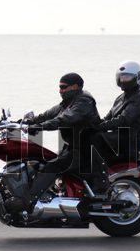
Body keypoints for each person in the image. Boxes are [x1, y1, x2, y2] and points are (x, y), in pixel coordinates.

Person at [24, 72, 108, 202]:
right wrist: (26, 122)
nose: (60, 91)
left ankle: (30, 201)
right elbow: (47, 115)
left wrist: (40, 127)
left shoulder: (84, 101)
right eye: (60, 87)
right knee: (41, 160)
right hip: (73, 147)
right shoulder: (68, 102)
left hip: (85, 151)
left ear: (75, 87)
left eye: (63, 87)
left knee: (51, 167)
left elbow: (65, 119)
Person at [93, 61, 140, 165]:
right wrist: (92, 123)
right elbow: (108, 118)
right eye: (122, 77)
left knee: (96, 138)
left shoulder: (138, 98)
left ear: (138, 77)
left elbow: (123, 120)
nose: (123, 80)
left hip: (129, 139)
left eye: (127, 77)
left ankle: (98, 169)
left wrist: (99, 127)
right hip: (118, 136)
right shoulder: (121, 98)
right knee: (88, 134)